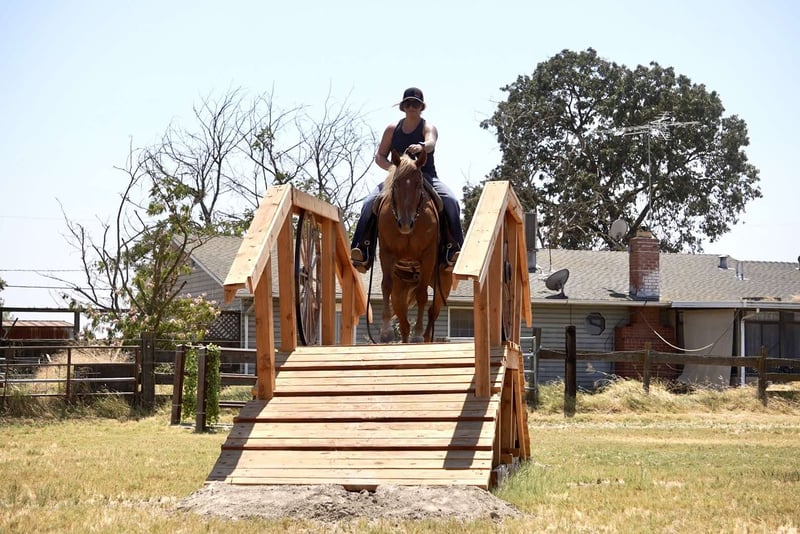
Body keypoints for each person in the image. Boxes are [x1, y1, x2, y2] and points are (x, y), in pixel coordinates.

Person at [350, 87, 464, 273]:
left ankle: (454, 249)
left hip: (425, 175)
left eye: (416, 104)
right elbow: (380, 156)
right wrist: (395, 170)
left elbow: (431, 142)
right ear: (403, 106)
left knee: (451, 201)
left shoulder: (427, 127)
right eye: (408, 103)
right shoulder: (392, 129)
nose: (412, 107)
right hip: (396, 178)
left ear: (421, 107)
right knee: (369, 202)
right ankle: (362, 250)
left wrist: (422, 147)